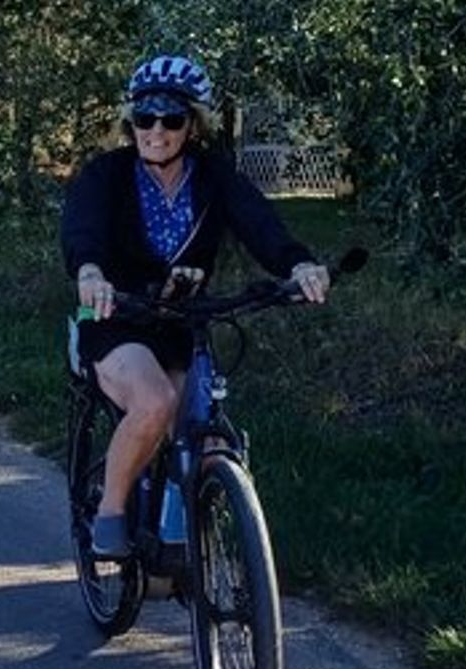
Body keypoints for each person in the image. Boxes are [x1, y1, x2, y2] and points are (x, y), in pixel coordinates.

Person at [61, 55, 332, 558]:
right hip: (115, 317)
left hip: (183, 323)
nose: (156, 131)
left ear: (193, 125)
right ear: (130, 122)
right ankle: (111, 512)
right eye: (144, 117)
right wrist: (91, 273)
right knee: (155, 403)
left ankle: (184, 540)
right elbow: (83, 230)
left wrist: (298, 265)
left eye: (171, 118)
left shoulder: (213, 177)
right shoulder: (107, 175)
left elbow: (261, 225)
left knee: (205, 439)